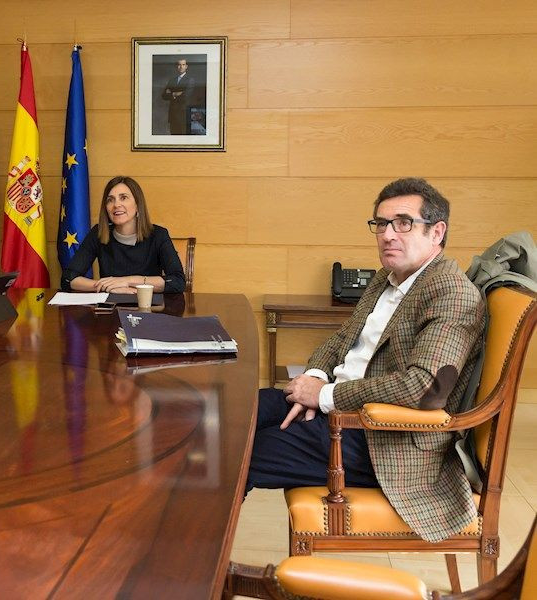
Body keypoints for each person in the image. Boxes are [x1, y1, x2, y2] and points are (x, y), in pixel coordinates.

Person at [246, 177, 486, 543]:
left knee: (238, 455)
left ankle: (193, 562)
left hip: (385, 440)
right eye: (381, 223)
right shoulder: (386, 279)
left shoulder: (452, 293)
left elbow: (425, 388)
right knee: (234, 416)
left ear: (437, 232)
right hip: (341, 411)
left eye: (403, 223)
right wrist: (315, 377)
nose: (388, 235)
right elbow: (341, 339)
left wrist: (324, 396)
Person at [60, 176, 185, 294]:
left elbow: (177, 282)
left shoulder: (158, 235)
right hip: (110, 305)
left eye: (123, 198)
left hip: (147, 305)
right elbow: (68, 278)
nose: (116, 205)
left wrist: (128, 281)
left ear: (138, 205)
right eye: (110, 200)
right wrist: (107, 287)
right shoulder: (98, 233)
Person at [161, 58, 195, 135]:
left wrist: (171, 93)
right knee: (173, 138)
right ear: (177, 66)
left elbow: (185, 97)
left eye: (183, 64)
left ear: (186, 66)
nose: (181, 67)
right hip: (172, 114)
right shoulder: (172, 80)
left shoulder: (190, 80)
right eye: (179, 65)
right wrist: (175, 94)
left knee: (183, 138)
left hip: (183, 115)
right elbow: (164, 96)